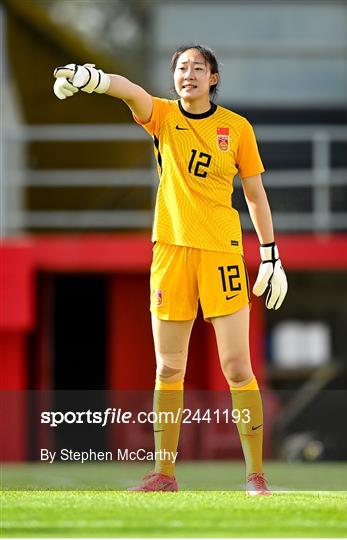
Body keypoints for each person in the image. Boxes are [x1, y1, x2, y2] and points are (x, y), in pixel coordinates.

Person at [53, 45, 288, 496]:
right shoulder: (161, 117)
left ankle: (256, 475)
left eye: (199, 68)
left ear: (214, 78)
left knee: (238, 367)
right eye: (182, 68)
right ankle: (163, 474)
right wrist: (91, 78)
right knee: (168, 367)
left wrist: (271, 253)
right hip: (171, 252)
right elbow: (130, 92)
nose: (189, 74)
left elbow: (255, 195)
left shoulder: (236, 128)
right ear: (174, 76)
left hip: (222, 251)